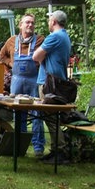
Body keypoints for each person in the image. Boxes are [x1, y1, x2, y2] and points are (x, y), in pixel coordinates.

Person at [0, 13, 46, 156]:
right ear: (20, 25)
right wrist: (10, 64)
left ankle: (38, 148)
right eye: (27, 22)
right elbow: (1, 56)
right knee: (18, 113)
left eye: (32, 23)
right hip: (17, 81)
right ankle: (20, 146)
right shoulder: (12, 41)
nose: (30, 25)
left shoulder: (40, 40)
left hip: (34, 80)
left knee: (37, 114)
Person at [32, 10, 72, 164]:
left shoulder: (54, 36)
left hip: (49, 84)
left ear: (54, 21)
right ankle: (56, 150)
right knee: (52, 117)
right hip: (58, 82)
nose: (48, 22)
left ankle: (60, 151)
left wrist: (42, 57)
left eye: (49, 19)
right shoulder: (65, 36)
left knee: (50, 118)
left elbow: (36, 56)